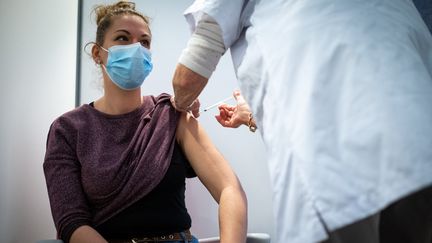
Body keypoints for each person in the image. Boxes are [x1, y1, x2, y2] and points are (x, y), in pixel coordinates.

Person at [170, 0, 432, 243]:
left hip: (340, 168)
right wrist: (251, 116)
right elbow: (359, 98)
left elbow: (192, 68)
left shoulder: (167, 117)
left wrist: (180, 102)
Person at [43, 1, 247, 243]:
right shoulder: (67, 129)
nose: (136, 48)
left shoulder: (171, 114)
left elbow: (229, 189)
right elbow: (71, 222)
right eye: (122, 38)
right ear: (97, 54)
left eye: (144, 42)